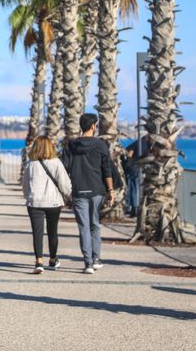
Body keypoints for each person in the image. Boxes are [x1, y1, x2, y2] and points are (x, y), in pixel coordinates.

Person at [61, 113, 115, 274]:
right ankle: (96, 258)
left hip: (78, 189)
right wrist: (110, 190)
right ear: (93, 126)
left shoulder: (71, 145)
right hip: (97, 189)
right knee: (95, 224)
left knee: (83, 227)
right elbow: (107, 169)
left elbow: (65, 168)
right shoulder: (100, 145)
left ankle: (88, 263)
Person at [22, 136, 72, 274]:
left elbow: (25, 185)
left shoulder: (31, 164)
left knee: (37, 233)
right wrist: (69, 196)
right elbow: (64, 183)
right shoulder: (56, 162)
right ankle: (53, 259)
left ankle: (39, 262)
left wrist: (28, 196)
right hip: (53, 202)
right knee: (52, 231)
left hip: (35, 202)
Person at [124, 136, 148, 218]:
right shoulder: (149, 144)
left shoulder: (139, 142)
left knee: (133, 188)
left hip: (132, 167)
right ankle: (136, 209)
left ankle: (133, 208)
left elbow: (129, 153)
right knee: (136, 188)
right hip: (139, 168)